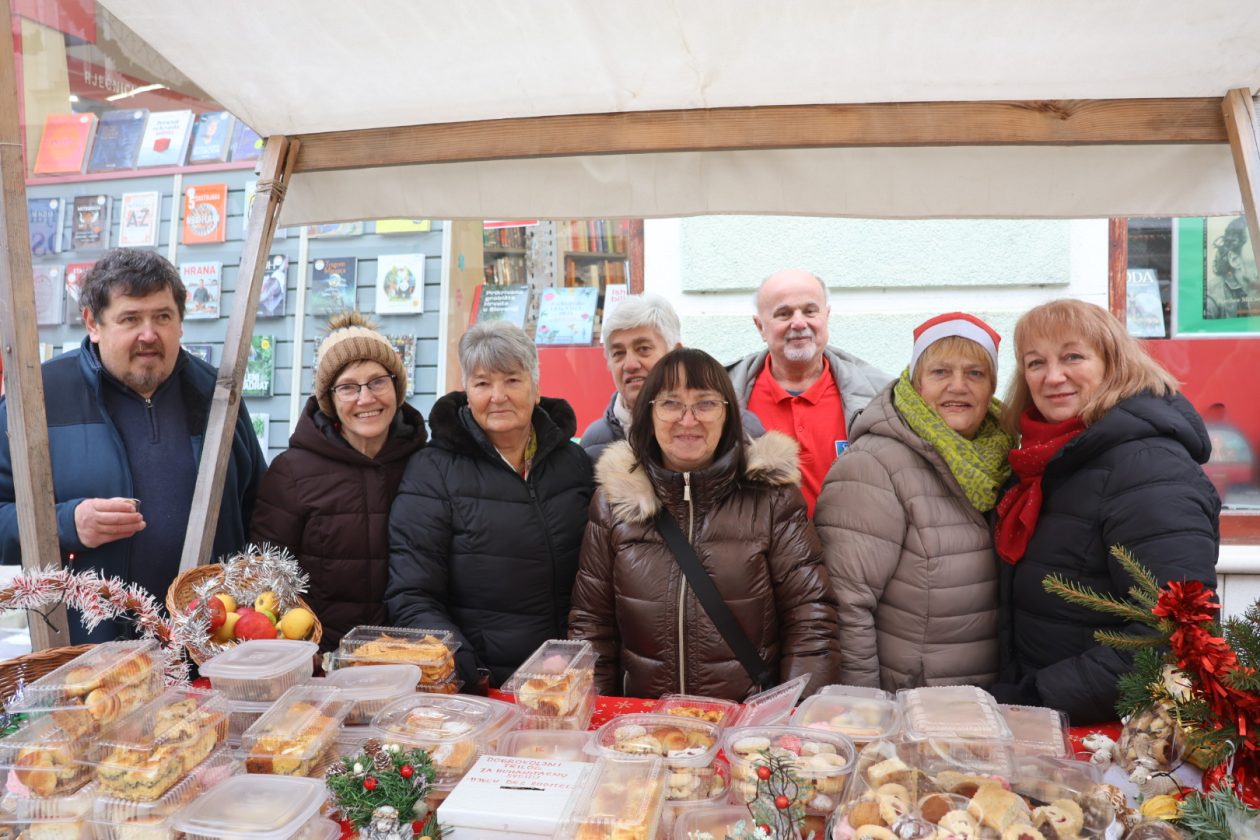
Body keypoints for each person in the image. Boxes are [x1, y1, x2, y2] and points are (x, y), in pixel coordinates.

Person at [0, 248, 266, 642]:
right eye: (130, 319)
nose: (149, 334)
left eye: (162, 316)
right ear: (93, 322)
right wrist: (65, 524)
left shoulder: (217, 394)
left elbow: (257, 511)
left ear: (180, 321)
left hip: (208, 651)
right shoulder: (38, 398)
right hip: (88, 657)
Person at [991, 299, 1219, 724]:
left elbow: (1175, 635)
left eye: (1072, 357)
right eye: (1035, 362)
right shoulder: (1053, 460)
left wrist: (1035, 698)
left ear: (1113, 362)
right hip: (1053, 723)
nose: (1053, 376)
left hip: (1117, 737)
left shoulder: (1149, 466)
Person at [570, 347, 840, 701]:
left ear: (728, 413)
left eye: (706, 403)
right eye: (670, 403)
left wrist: (790, 721)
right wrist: (599, 714)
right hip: (643, 731)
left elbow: (811, 620)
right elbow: (591, 627)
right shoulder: (614, 503)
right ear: (649, 413)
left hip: (746, 731)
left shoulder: (772, 500)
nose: (688, 419)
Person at [386, 321, 594, 689]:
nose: (498, 396)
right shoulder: (433, 471)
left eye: (512, 380)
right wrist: (467, 667)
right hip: (482, 686)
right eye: (483, 383)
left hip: (569, 681)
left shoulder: (574, 464)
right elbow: (412, 594)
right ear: (467, 392)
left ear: (535, 386)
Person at [816, 313, 1013, 691]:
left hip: (986, 702)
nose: (958, 386)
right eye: (940, 372)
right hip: (910, 706)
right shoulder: (873, 465)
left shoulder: (1004, 458)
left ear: (991, 387)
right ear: (916, 382)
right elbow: (846, 604)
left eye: (975, 373)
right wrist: (865, 711)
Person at [251, 312, 427, 651]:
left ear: (397, 386)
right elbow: (267, 580)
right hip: (323, 661)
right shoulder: (291, 473)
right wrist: (303, 650)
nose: (365, 398)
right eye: (348, 387)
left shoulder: (426, 464)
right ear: (329, 399)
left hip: (413, 656)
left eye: (378, 381)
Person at [727, 269, 892, 515]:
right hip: (764, 552)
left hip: (852, 551)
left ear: (826, 316)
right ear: (760, 326)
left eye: (810, 311)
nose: (799, 323)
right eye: (783, 314)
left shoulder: (882, 395)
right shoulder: (722, 395)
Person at [581, 293, 765, 462]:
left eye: (643, 349)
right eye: (618, 353)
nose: (630, 364)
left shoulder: (742, 429)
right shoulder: (595, 443)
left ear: (675, 352)